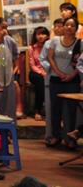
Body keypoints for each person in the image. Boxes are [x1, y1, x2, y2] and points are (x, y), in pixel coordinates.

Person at [46, 16, 81, 149]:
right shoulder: (55, 41)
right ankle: (56, 136)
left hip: (73, 81)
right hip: (56, 79)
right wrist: (59, 73)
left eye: (72, 25)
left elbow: (81, 63)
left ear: (76, 29)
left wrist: (72, 75)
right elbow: (50, 57)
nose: (69, 27)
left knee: (71, 110)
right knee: (55, 109)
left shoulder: (80, 43)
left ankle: (70, 138)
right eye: (67, 25)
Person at [40, 18, 64, 140]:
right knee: (52, 108)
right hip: (52, 77)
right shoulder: (48, 43)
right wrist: (51, 68)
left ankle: (68, 136)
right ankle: (52, 134)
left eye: (61, 26)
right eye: (56, 26)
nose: (58, 29)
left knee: (68, 109)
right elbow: (42, 58)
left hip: (68, 77)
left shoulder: (73, 42)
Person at [0, 17, 19, 120]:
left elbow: (16, 57)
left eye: (6, 27)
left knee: (9, 101)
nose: (5, 30)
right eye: (2, 27)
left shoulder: (10, 41)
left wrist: (14, 71)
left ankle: (9, 124)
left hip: (8, 76)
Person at [29, 26, 50, 121]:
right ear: (35, 36)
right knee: (40, 81)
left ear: (47, 36)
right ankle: (38, 110)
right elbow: (32, 65)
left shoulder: (50, 47)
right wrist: (41, 72)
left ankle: (48, 108)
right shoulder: (32, 48)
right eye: (38, 34)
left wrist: (46, 72)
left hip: (48, 71)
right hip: (35, 72)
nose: (41, 36)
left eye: (43, 34)